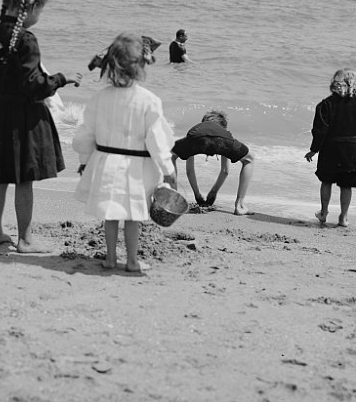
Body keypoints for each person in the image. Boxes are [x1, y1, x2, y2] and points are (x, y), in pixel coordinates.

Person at [0, 0, 82, 253]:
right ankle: (25, 239)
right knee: (24, 180)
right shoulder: (26, 40)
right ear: (31, 9)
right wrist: (59, 79)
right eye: (40, 11)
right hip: (25, 119)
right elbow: (34, 86)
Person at [73, 33, 175, 272]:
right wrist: (168, 170)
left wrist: (85, 160)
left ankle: (110, 258)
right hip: (136, 169)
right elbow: (157, 140)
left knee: (110, 214)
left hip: (106, 162)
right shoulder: (149, 101)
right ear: (141, 66)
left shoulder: (99, 98)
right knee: (132, 216)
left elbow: (87, 135)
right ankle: (131, 260)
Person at [304, 69, 356, 228]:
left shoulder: (326, 104)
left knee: (326, 181)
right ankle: (343, 217)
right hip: (354, 151)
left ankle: (324, 212)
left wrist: (314, 149)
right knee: (346, 185)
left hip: (330, 149)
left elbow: (319, 130)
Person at [171, 110, 254, 215]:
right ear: (223, 126)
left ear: (203, 122)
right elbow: (225, 171)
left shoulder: (197, 129)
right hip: (221, 139)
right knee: (249, 159)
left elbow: (189, 171)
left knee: (170, 155)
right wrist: (213, 192)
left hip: (196, 137)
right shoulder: (223, 132)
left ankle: (172, 202)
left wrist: (197, 194)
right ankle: (239, 205)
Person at [87, 35, 161, 71]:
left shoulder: (141, 45)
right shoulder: (146, 49)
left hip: (121, 47)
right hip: (132, 49)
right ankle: (99, 62)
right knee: (124, 67)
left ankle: (99, 61)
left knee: (116, 62)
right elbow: (150, 60)